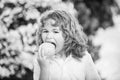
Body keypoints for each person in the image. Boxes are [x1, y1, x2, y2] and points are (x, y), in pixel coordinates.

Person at [33, 10, 101, 80]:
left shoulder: (84, 57)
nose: (48, 36)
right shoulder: (40, 60)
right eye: (45, 31)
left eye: (55, 31)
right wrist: (44, 68)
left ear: (67, 35)